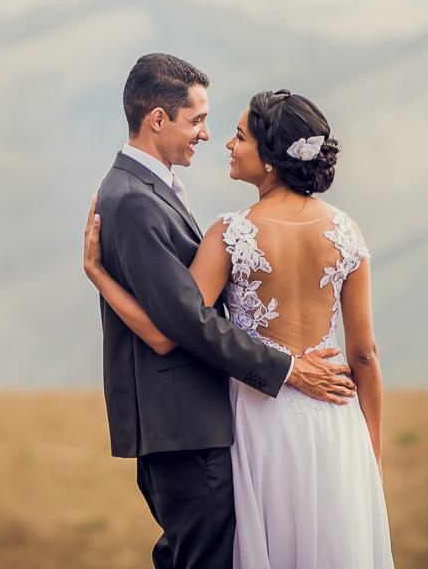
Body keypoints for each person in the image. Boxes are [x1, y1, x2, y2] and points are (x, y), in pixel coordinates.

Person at [85, 83, 394, 568]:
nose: (226, 143)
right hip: (339, 424)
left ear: (269, 158)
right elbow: (365, 357)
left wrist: (100, 275)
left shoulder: (231, 233)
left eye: (238, 136)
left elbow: (172, 331)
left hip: (260, 422)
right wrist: (369, 450)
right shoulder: (347, 232)